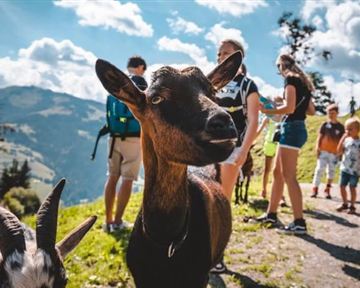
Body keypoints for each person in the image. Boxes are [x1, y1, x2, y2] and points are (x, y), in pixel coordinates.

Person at [211, 39, 259, 273]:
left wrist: (244, 151)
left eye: (227, 53)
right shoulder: (211, 84)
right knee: (203, 201)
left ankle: (217, 256)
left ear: (239, 56)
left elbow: (253, 120)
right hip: (207, 151)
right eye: (219, 53)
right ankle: (201, 249)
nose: (221, 58)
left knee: (222, 203)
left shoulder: (247, 85)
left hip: (231, 151)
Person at [256, 54, 316, 235]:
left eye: (278, 68)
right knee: (278, 173)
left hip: (291, 128)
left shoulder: (290, 78)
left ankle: (299, 222)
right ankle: (271, 215)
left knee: (289, 176)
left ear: (281, 66)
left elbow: (289, 109)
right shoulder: (304, 83)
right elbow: (311, 111)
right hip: (297, 128)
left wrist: (267, 110)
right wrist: (287, 104)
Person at [103, 56, 148, 233]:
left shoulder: (116, 84)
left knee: (112, 177)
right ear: (141, 67)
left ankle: (108, 222)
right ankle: (118, 221)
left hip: (113, 137)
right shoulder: (140, 83)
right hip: (134, 139)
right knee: (128, 180)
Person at [257, 97, 287, 207]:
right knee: (267, 169)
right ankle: (264, 190)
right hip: (269, 144)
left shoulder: (285, 118)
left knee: (280, 172)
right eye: (276, 104)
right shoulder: (268, 117)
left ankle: (281, 196)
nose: (278, 106)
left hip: (280, 144)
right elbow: (259, 130)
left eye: (280, 104)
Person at [311, 104, 344, 198]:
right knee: (319, 170)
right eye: (329, 113)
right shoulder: (325, 125)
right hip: (323, 151)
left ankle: (327, 189)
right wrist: (317, 147)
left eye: (333, 113)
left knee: (331, 171)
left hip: (334, 153)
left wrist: (341, 152)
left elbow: (342, 141)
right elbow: (320, 137)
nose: (331, 115)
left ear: (337, 113)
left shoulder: (340, 127)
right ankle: (315, 189)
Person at [336, 117, 360, 214]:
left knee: (352, 187)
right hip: (344, 168)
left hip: (355, 170)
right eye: (346, 129)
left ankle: (352, 205)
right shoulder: (346, 140)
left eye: (350, 129)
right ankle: (345, 203)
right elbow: (338, 151)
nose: (348, 131)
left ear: (357, 130)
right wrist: (342, 139)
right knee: (342, 186)